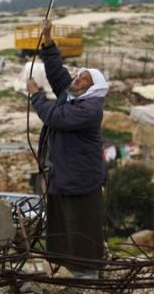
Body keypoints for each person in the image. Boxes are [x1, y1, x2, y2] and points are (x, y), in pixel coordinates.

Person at [26, 20, 109, 279]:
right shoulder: (71, 96)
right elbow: (56, 72)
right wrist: (48, 40)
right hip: (63, 177)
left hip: (80, 180)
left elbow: (55, 117)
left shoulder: (90, 108)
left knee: (82, 228)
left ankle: (86, 277)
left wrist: (37, 96)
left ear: (92, 86)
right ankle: (63, 273)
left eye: (84, 78)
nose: (78, 79)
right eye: (79, 75)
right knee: (61, 227)